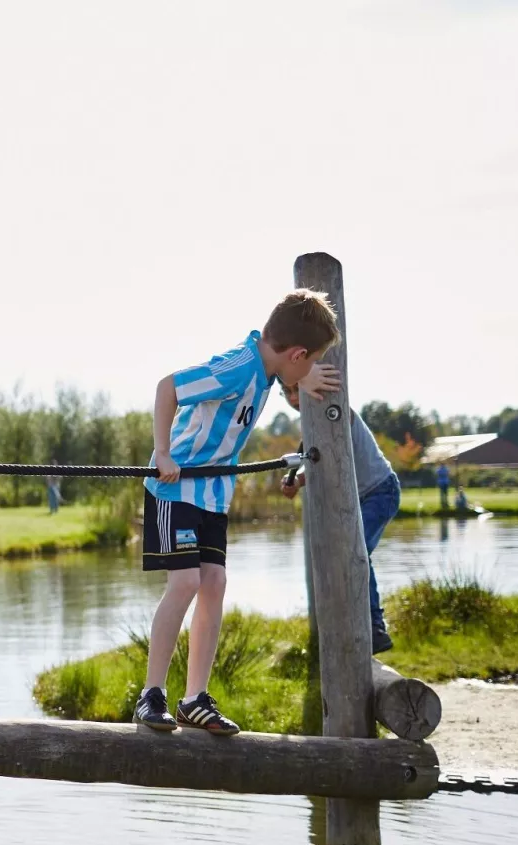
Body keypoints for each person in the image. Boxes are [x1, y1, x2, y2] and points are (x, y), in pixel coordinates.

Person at [135, 290, 342, 735]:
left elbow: (283, 373)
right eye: (310, 361)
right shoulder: (238, 366)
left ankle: (194, 699)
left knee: (214, 582)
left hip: (212, 495)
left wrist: (301, 381)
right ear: (297, 353)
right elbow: (168, 387)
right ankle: (151, 693)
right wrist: (163, 451)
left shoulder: (267, 371)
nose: (307, 370)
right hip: (175, 490)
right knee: (187, 581)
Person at [279, 385, 401, 653]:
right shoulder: (311, 424)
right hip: (356, 499)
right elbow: (326, 463)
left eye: (297, 390)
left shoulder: (336, 409)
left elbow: (336, 454)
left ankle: (375, 627)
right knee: (341, 554)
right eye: (286, 393)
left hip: (380, 491)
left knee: (355, 552)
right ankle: (350, 625)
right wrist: (297, 481)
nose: (293, 398)